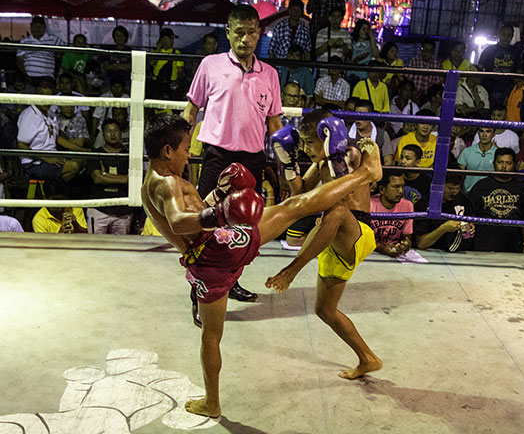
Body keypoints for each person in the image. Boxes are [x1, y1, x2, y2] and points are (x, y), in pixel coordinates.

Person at [141, 112, 381, 419]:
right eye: (186, 149)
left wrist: (217, 197)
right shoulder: (167, 183)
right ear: (167, 151)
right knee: (295, 207)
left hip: (203, 266)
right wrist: (221, 214)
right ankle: (366, 174)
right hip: (221, 247)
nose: (190, 156)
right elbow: (178, 221)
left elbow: (191, 214)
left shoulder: (149, 182)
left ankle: (212, 402)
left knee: (211, 336)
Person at [267, 109, 383, 380]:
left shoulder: (352, 154)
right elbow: (301, 195)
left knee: (337, 211)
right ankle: (368, 358)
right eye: (303, 142)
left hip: (357, 231)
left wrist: (363, 149)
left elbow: (372, 173)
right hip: (332, 239)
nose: (305, 148)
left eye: (310, 141)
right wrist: (287, 163)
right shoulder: (320, 164)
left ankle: (291, 270)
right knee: (325, 310)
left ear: (328, 136)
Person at [182, 4, 283, 302]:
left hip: (252, 159)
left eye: (251, 33)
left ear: (259, 34)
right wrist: (181, 151)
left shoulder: (270, 75)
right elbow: (191, 111)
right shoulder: (210, 65)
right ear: (228, 32)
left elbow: (275, 124)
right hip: (217, 155)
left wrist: (287, 166)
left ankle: (231, 281)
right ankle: (198, 288)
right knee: (207, 224)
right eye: (239, 32)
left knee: (244, 228)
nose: (245, 40)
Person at [17, 77, 80, 181]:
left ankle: (53, 188)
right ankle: (51, 191)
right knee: (74, 166)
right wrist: (46, 158)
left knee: (83, 160)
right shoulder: (29, 115)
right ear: (37, 96)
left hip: (52, 155)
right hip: (34, 162)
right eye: (43, 98)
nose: (46, 102)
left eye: (49, 98)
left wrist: (81, 150)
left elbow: (56, 138)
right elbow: (20, 144)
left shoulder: (50, 113)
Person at [468, 148, 524, 252]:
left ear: (514, 165)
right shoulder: (481, 186)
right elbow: (470, 215)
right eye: (500, 162)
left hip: (511, 242)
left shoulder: (520, 188)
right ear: (494, 163)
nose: (504, 167)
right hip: (484, 241)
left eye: (508, 163)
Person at [86, 119, 133, 235]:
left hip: (123, 211)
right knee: (94, 248)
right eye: (109, 131)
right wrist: (124, 179)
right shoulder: (95, 154)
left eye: (116, 131)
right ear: (103, 134)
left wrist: (106, 175)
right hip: (99, 209)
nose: (112, 134)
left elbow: (133, 179)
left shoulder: (130, 155)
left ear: (121, 133)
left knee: (121, 249)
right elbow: (97, 178)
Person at [412, 174, 475, 252]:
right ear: (440, 186)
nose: (454, 193)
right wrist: (443, 229)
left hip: (458, 253)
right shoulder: (424, 204)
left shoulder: (463, 200)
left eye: (457, 188)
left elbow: (470, 221)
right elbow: (421, 243)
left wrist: (471, 226)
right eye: (450, 188)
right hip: (430, 252)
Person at [370, 172, 413, 257]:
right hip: (371, 254)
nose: (401, 191)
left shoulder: (407, 205)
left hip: (394, 254)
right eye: (396, 187)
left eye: (402, 186)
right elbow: (361, 240)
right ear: (382, 189)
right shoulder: (369, 204)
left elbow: (407, 235)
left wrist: (405, 243)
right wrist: (382, 248)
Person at [478, 24, 521, 107]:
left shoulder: (516, 52)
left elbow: (519, 70)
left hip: (508, 88)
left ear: (512, 36)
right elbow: (480, 67)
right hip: (489, 86)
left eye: (509, 35)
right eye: (503, 34)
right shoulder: (489, 49)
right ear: (499, 34)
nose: (506, 37)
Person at [16, 16, 64, 86]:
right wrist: (26, 77)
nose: (38, 28)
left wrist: (58, 55)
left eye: (40, 26)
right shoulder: (24, 42)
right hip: (29, 77)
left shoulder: (53, 39)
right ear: (31, 27)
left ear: (44, 28)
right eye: (36, 26)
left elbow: (64, 50)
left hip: (47, 77)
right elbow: (20, 61)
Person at [348, 99, 394, 165]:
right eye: (356, 114)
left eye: (362, 115)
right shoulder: (345, 133)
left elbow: (388, 161)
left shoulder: (382, 135)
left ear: (371, 116)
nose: (358, 118)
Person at [314, 7, 352, 76]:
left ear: (342, 18)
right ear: (329, 18)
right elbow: (317, 52)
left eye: (338, 16)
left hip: (340, 74)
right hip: (324, 73)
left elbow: (349, 55)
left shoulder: (346, 34)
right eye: (333, 16)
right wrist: (327, 44)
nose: (335, 19)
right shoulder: (322, 33)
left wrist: (343, 46)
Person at [458, 127, 497, 192]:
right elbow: (459, 176)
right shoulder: (467, 151)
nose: (484, 135)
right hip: (469, 193)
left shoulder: (497, 153)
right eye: (481, 131)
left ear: (493, 134)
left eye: (488, 131)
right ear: (478, 133)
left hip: (490, 195)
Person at [149, 28, 184, 101]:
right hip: (156, 83)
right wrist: (158, 49)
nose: (172, 41)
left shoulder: (176, 53)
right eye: (170, 38)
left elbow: (180, 71)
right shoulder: (155, 52)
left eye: (172, 39)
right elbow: (151, 63)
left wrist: (177, 82)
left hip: (171, 84)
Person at [91, 76, 127, 142]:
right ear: (110, 87)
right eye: (114, 86)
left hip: (121, 129)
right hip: (104, 129)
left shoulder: (127, 98)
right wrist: (93, 135)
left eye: (119, 87)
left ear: (123, 88)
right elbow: (96, 117)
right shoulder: (104, 97)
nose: (116, 89)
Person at [349, 19, 379, 84]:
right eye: (363, 29)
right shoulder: (351, 42)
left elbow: (376, 55)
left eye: (367, 29)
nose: (366, 32)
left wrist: (372, 39)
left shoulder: (370, 43)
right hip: (352, 73)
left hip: (365, 74)